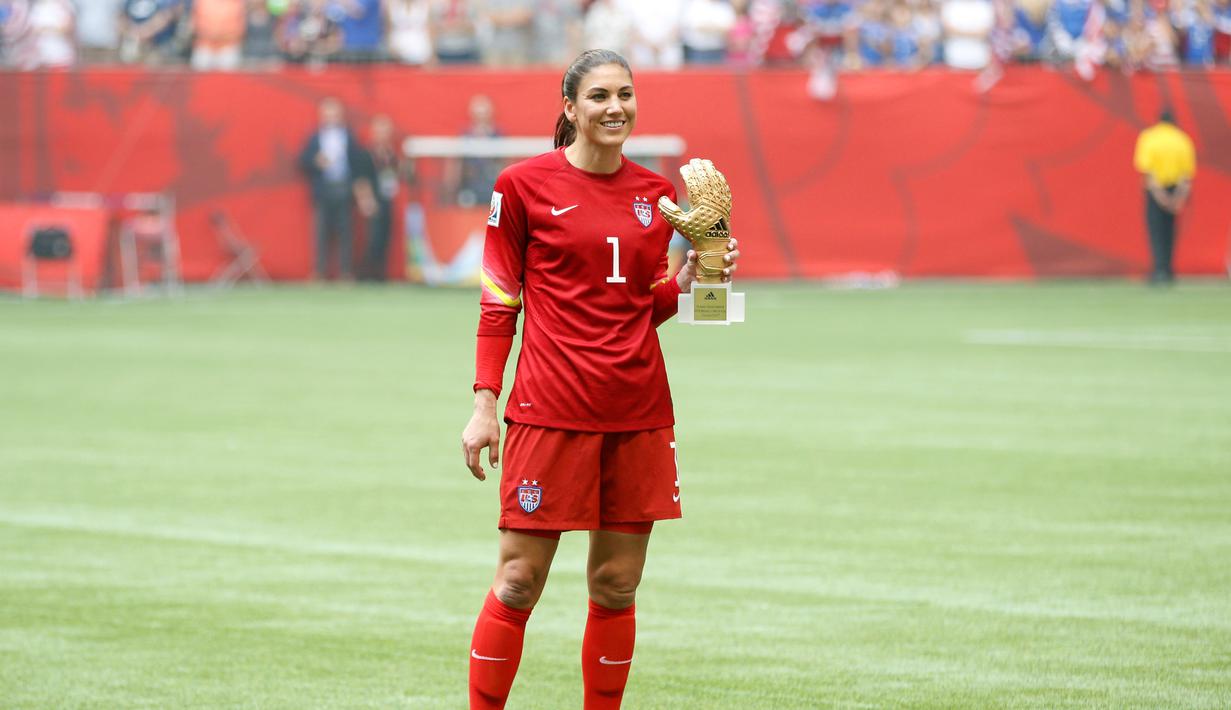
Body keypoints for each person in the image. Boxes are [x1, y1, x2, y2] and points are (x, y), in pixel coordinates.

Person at [459, 49, 741, 710]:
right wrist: (482, 404)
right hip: (548, 411)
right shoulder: (522, 186)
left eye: (624, 94)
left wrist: (703, 283)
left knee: (615, 584)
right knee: (518, 579)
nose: (614, 107)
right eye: (598, 97)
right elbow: (499, 301)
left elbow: (647, 309)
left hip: (636, 411)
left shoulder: (657, 198)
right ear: (569, 108)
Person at [297, 97, 375, 281]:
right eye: (327, 114)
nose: (331, 117)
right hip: (323, 189)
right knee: (321, 233)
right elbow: (302, 160)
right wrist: (316, 161)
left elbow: (358, 165)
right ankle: (319, 272)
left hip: (344, 187)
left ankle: (345, 272)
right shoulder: (314, 137)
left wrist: (361, 192)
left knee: (346, 232)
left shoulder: (349, 136)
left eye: (334, 113)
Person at [1133, 108, 1196, 284]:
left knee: (1156, 232)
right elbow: (1186, 176)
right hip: (1175, 191)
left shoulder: (1149, 138)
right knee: (1170, 232)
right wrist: (1177, 199)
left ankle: (1159, 269)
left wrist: (1161, 198)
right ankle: (1168, 269)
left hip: (1156, 191)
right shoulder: (1182, 139)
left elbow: (1148, 174)